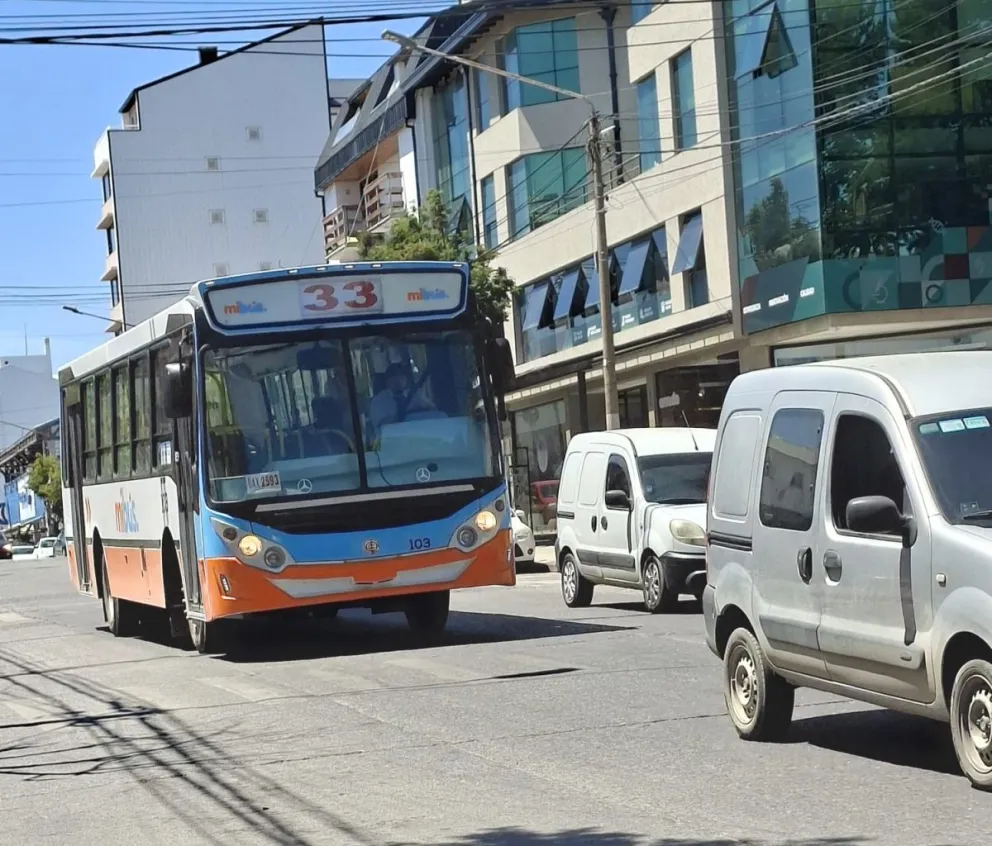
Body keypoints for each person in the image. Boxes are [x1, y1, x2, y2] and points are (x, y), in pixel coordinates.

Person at [368, 361, 436, 430]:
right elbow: (380, 426)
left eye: (402, 377)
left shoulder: (414, 395)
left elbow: (433, 409)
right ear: (388, 382)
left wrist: (419, 411)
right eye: (395, 378)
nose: (400, 381)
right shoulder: (378, 401)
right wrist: (402, 415)